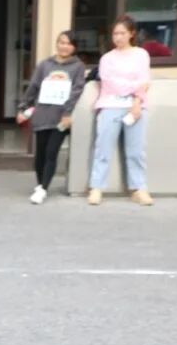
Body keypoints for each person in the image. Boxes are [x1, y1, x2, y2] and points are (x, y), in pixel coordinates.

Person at [88, 14, 153, 206]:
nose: (118, 37)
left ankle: (139, 188)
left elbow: (144, 80)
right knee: (103, 148)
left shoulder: (141, 55)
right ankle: (96, 187)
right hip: (110, 104)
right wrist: (131, 87)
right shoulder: (107, 58)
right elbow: (109, 82)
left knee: (136, 150)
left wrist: (136, 101)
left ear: (132, 33)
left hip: (136, 106)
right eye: (115, 33)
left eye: (122, 33)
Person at [16, 31, 86, 205]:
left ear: (74, 47)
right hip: (42, 114)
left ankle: (43, 189)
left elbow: (77, 91)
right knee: (40, 153)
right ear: (57, 44)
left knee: (51, 153)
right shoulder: (45, 65)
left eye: (69, 43)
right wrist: (23, 107)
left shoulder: (78, 67)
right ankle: (40, 185)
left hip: (61, 118)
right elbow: (33, 87)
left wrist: (68, 113)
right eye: (61, 42)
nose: (64, 46)